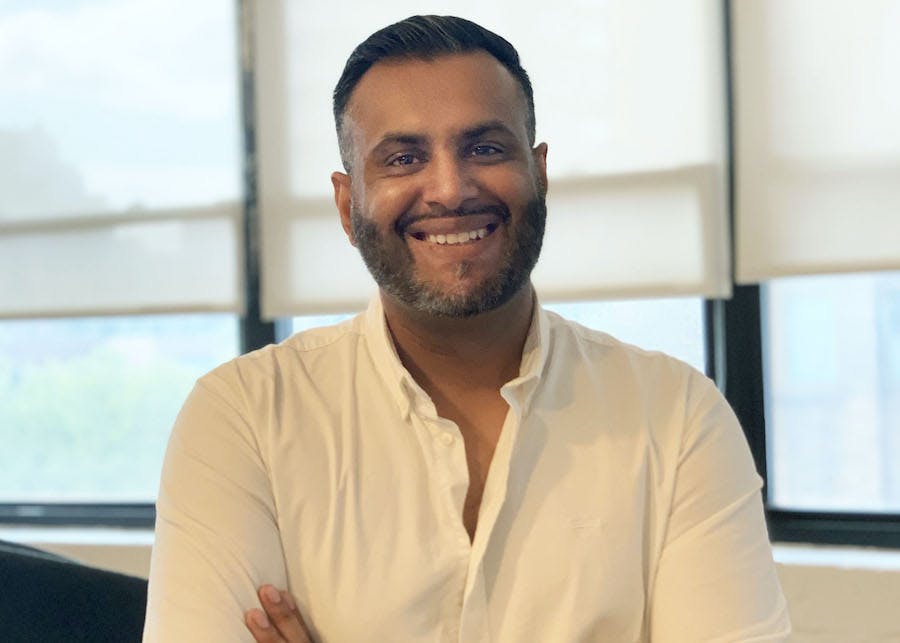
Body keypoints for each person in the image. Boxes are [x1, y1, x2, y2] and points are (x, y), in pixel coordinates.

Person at [143, 15, 791, 643]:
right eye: (403, 158)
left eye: (485, 148)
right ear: (347, 204)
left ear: (539, 173)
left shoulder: (677, 417)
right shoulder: (245, 417)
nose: (450, 189)